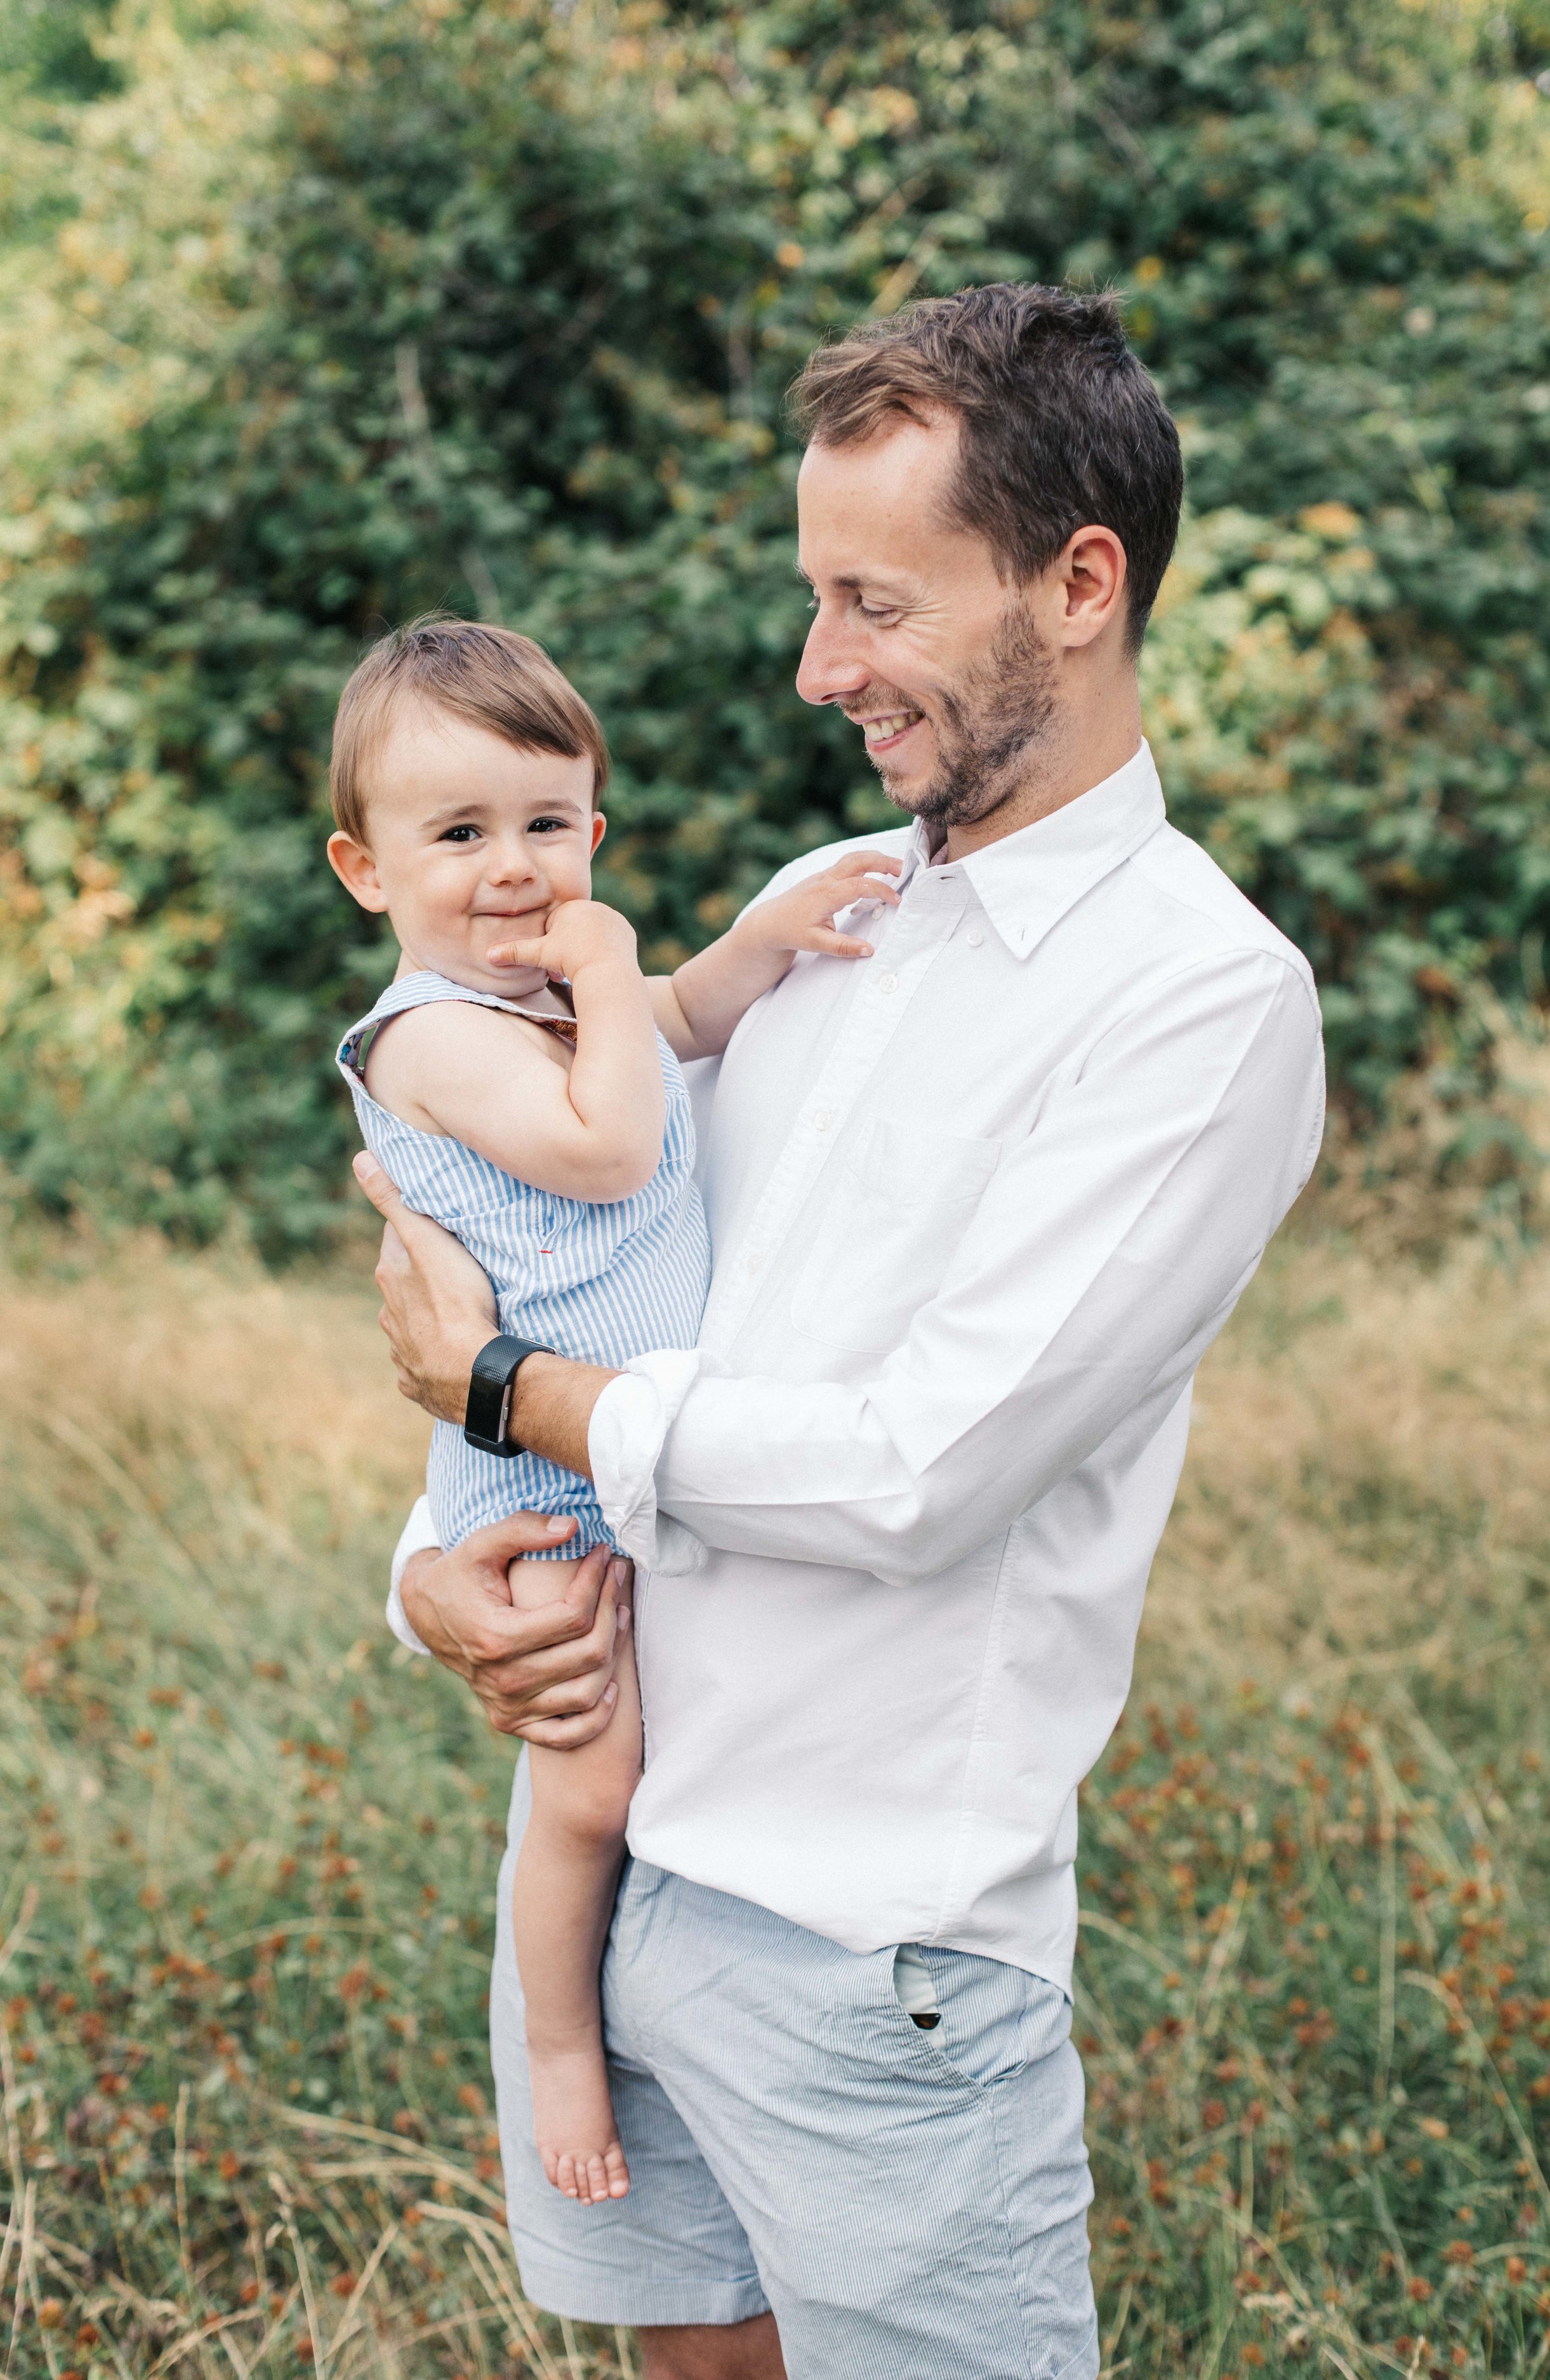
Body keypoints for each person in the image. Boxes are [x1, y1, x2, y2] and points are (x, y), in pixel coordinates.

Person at [355, 284, 1327, 2380]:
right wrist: (433, 1569)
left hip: (867, 1948)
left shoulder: (1199, 1001)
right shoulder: (821, 910)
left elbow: (916, 1472)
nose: (819, 667)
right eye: (818, 598)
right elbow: (577, 1284)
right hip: (610, 1862)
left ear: (1078, 586)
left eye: (873, 604)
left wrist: (505, 1391)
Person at [325, 618, 901, 2207]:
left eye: (545, 823)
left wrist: (757, 942)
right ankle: (561, 2044)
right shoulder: (435, 1035)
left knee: (652, 1746)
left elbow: (683, 1021)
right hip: (540, 1475)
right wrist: (603, 969)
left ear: (594, 826)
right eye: (457, 835)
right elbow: (605, 1146)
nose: (512, 868)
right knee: (585, 1783)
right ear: (367, 871)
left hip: (612, 1433)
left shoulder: (552, 999)